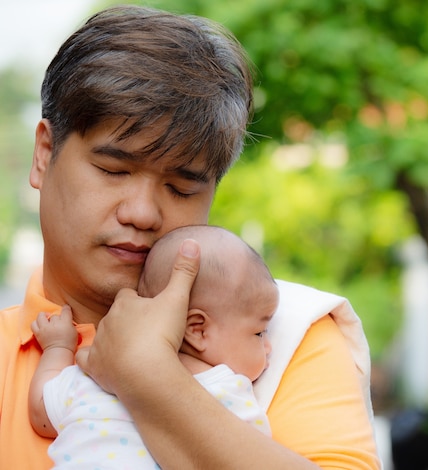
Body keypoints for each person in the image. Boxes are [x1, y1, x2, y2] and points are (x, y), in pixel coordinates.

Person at [0, 5, 379, 469]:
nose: (141, 213)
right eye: (112, 169)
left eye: (181, 187)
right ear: (44, 155)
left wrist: (151, 378)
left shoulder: (280, 335)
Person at [28, 225, 276, 467]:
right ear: (197, 329)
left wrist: (58, 348)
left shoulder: (97, 372)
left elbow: (41, 412)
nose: (269, 347)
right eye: (260, 332)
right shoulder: (227, 393)